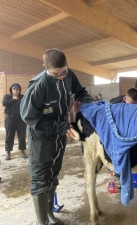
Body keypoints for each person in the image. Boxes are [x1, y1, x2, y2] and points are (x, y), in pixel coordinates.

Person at [20, 48, 94, 225]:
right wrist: (60, 127)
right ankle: (42, 221)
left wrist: (91, 104)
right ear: (45, 66)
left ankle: (50, 215)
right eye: (56, 74)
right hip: (41, 139)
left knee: (53, 174)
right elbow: (28, 116)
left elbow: (80, 92)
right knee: (40, 178)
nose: (61, 77)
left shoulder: (68, 75)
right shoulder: (38, 85)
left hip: (60, 135)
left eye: (64, 72)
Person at [2, 83, 27, 160]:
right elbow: (4, 103)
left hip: (21, 119)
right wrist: (13, 99)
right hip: (10, 119)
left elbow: (27, 105)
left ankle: (22, 151)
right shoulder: (7, 96)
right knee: (9, 136)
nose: (16, 91)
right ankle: (8, 152)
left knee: (22, 136)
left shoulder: (23, 97)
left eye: (17, 89)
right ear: (11, 90)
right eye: (14, 89)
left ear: (19, 90)